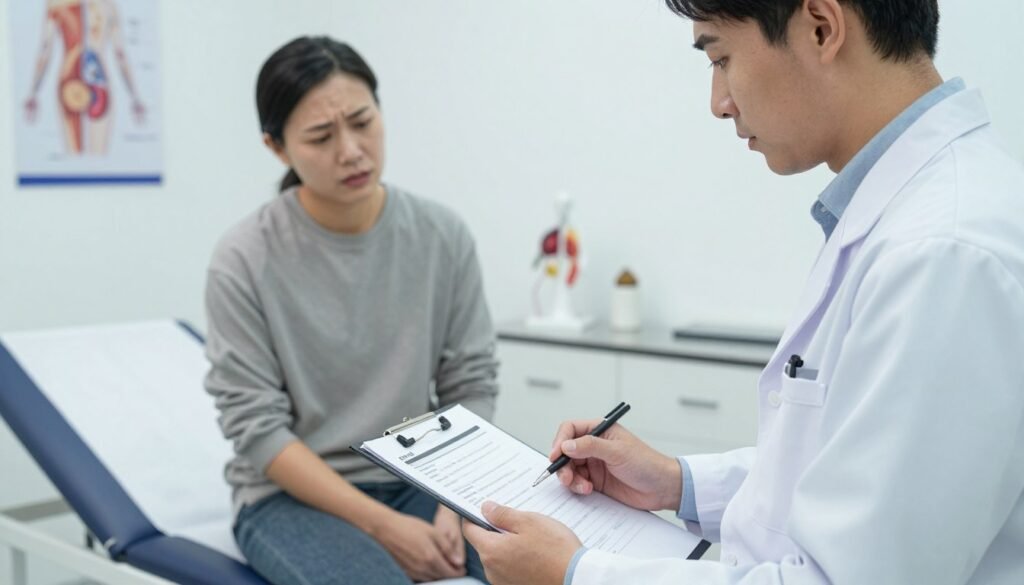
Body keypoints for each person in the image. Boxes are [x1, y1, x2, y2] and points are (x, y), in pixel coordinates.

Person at [464, 1, 1024, 584]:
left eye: (721, 57)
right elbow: (846, 475)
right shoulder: (912, 219)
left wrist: (576, 575)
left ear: (821, 27)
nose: (718, 102)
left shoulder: (945, 254)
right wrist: (677, 483)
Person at [204, 36, 496, 585]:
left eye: (362, 122)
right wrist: (386, 528)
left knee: (562, 566)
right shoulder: (244, 258)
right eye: (321, 136)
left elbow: (471, 383)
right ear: (277, 147)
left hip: (424, 477)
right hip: (290, 499)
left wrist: (454, 501)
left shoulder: (441, 236)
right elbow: (259, 431)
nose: (351, 151)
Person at [23, 0, 146, 155]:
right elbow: (120, 54)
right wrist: (134, 97)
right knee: (98, 158)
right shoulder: (108, 6)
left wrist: (33, 93)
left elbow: (45, 48)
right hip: (98, 80)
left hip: (69, 81)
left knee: (74, 160)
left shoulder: (55, 3)